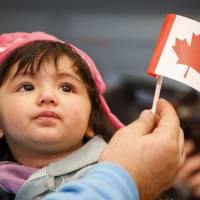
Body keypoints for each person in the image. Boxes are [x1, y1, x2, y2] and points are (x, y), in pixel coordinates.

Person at [0, 32, 184, 200]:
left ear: (90, 123)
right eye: (27, 87)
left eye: (66, 88)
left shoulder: (131, 173)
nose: (47, 97)